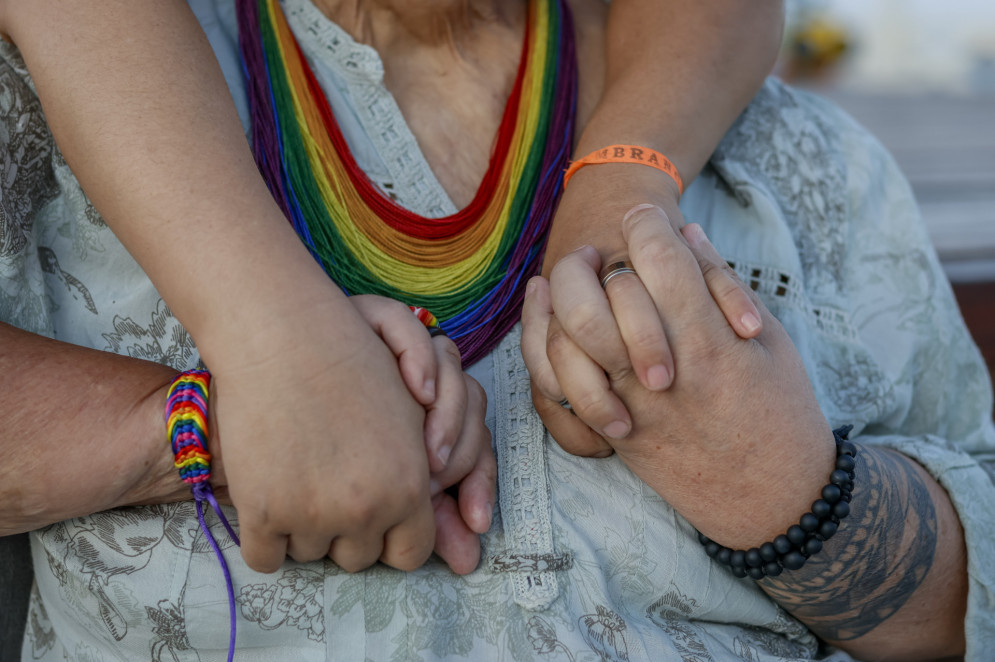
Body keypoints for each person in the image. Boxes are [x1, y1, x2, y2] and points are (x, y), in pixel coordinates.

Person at [0, 1, 991, 662]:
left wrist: (797, 497)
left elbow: (962, 601)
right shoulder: (58, 95)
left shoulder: (793, 154)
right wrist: (200, 423)